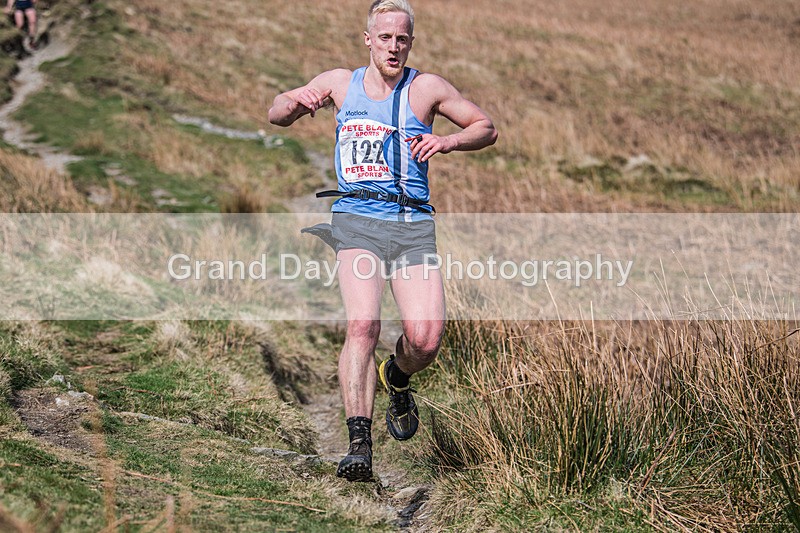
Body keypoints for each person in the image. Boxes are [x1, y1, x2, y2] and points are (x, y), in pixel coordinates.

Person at [268, 0, 497, 482]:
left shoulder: (426, 88)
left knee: (426, 340)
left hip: (412, 224)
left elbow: (485, 127)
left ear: (410, 42)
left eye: (402, 39)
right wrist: (295, 103)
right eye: (385, 37)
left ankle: (396, 375)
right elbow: (277, 113)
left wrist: (447, 141)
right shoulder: (339, 83)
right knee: (363, 325)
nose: (393, 47)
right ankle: (359, 445)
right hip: (357, 220)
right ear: (368, 39)